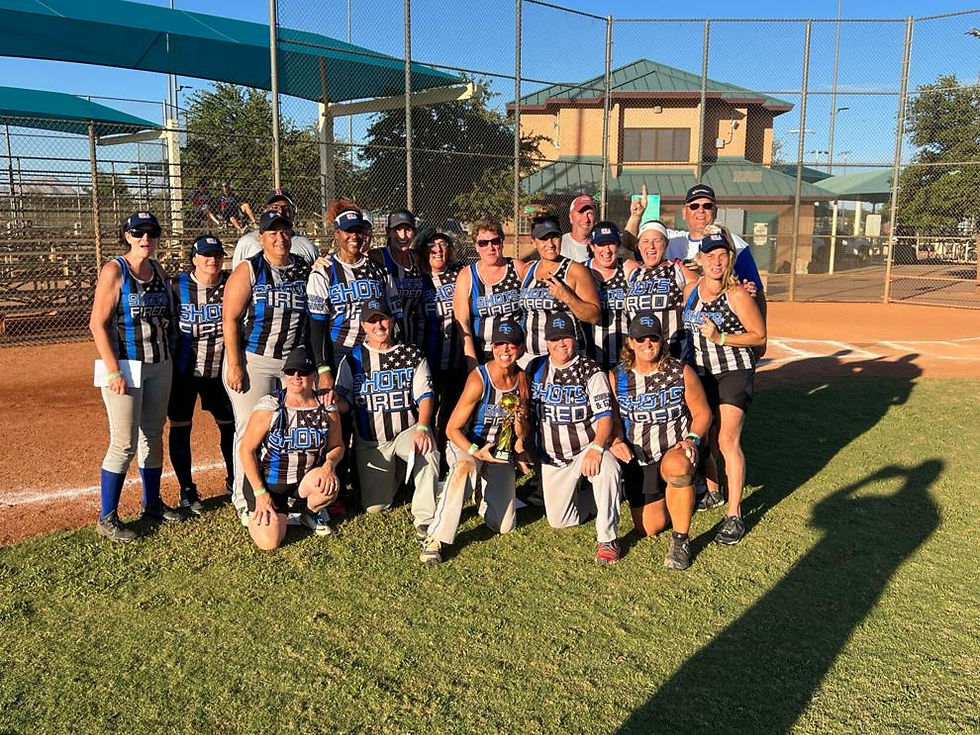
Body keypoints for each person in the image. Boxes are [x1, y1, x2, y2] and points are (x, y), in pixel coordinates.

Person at [89, 212, 183, 542]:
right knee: (124, 442)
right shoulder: (116, 270)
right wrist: (113, 369)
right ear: (127, 236)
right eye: (138, 233)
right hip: (127, 368)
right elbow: (97, 324)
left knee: (153, 435)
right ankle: (107, 516)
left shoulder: (157, 269)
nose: (146, 239)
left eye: (152, 233)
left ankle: (152, 503)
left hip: (159, 364)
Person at [222, 208, 314, 528]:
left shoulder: (304, 268)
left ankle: (285, 492)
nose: (280, 237)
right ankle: (244, 498)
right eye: (272, 232)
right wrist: (235, 364)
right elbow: (231, 318)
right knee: (250, 429)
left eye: (284, 231)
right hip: (255, 360)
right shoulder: (250, 269)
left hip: (291, 364)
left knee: (287, 427)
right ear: (260, 237)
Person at [420, 320, 530, 565]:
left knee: (503, 526)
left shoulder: (522, 378)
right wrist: (475, 451)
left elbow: (522, 432)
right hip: (468, 443)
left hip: (500, 451)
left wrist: (521, 422)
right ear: (492, 347)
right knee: (465, 468)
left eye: (511, 346)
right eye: (500, 344)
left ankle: (482, 493)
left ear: (520, 348)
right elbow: (451, 428)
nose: (505, 351)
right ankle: (436, 537)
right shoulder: (479, 377)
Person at [682, 229, 767, 546]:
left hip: (733, 371)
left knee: (727, 439)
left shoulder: (737, 294)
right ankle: (713, 491)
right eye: (710, 256)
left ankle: (734, 515)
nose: (716, 261)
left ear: (729, 259)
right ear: (700, 259)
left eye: (722, 255)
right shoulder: (692, 291)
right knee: (705, 436)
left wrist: (722, 338)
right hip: (702, 372)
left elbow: (759, 336)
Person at [608, 312, 711, 570]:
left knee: (677, 468)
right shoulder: (617, 377)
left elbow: (702, 413)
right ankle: (679, 495)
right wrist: (616, 439)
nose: (647, 345)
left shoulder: (680, 371)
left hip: (672, 450)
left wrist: (692, 439)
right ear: (630, 342)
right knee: (649, 528)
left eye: (652, 338)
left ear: (661, 341)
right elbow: (614, 418)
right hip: (638, 458)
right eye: (640, 339)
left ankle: (680, 541)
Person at [335, 299, 439, 542]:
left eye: (382, 319)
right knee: (375, 507)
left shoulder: (411, 353)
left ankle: (425, 517)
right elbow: (345, 403)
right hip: (372, 441)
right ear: (363, 325)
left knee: (428, 449)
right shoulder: (353, 359)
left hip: (407, 431)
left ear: (391, 321)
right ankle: (398, 470)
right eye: (372, 321)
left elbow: (425, 394)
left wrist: (423, 427)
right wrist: (333, 398)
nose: (378, 325)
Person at [527, 311, 622, 565]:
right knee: (559, 521)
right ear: (546, 341)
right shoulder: (535, 368)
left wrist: (598, 448)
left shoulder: (591, 371)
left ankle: (607, 539)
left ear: (575, 338)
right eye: (555, 338)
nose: (561, 343)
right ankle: (603, 500)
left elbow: (605, 416)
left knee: (607, 467)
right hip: (553, 457)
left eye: (566, 337)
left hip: (585, 449)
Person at [239, 346, 343, 550]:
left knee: (330, 486)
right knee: (269, 542)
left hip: (303, 481)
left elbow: (337, 445)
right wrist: (260, 493)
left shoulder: (327, 407)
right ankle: (255, 511)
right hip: (269, 484)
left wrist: (329, 465)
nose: (296, 377)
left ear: (313, 375)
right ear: (284, 375)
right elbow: (246, 450)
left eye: (303, 372)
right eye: (291, 372)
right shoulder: (271, 406)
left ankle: (307, 513)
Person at [625, 183, 766, 324]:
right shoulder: (672, 240)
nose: (701, 211)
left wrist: (760, 337)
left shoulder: (734, 243)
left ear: (715, 211)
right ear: (684, 212)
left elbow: (756, 291)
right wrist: (636, 216)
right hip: (681, 326)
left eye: (707, 206)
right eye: (694, 206)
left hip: (720, 322)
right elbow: (631, 243)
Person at [167, 235, 235, 513]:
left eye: (217, 254)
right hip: (184, 371)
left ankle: (234, 478)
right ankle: (187, 489)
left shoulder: (231, 283)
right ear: (194, 259)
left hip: (220, 370)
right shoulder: (177, 287)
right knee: (181, 427)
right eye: (206, 255)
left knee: (229, 426)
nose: (213, 260)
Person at [307, 201, 400, 376]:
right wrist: (323, 368)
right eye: (348, 231)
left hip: (374, 349)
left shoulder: (379, 270)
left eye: (358, 230)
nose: (354, 236)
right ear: (337, 234)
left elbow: (396, 315)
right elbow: (317, 326)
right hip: (338, 351)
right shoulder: (324, 272)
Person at [520, 214, 600, 363]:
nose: (550, 244)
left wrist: (567, 297)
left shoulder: (575, 270)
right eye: (544, 238)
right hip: (530, 357)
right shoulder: (528, 270)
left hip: (566, 358)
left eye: (555, 237)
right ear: (533, 242)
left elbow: (593, 315)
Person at [453, 218, 527, 370]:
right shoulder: (467, 275)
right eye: (483, 243)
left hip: (515, 353)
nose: (490, 247)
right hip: (483, 353)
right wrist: (471, 360)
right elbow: (462, 322)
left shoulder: (518, 268)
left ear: (502, 242)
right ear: (476, 247)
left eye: (495, 241)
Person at [418, 230, 467, 453]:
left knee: (451, 410)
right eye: (432, 245)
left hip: (457, 357)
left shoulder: (460, 274)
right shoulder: (416, 277)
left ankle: (449, 456)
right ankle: (427, 456)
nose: (438, 249)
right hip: (428, 357)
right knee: (427, 409)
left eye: (443, 244)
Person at [624, 220, 698, 359]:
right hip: (640, 352)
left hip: (672, 352)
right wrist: (635, 215)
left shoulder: (677, 270)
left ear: (666, 243)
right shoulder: (632, 272)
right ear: (638, 246)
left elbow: (707, 289)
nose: (651, 246)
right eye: (645, 241)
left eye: (657, 240)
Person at [585, 221, 640, 370]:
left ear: (618, 245)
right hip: (589, 357)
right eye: (601, 244)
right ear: (592, 247)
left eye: (611, 244)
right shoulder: (582, 270)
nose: (607, 250)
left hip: (625, 358)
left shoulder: (629, 269)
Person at [370, 209, 427, 344]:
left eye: (408, 230)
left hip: (414, 337)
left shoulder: (416, 258)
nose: (403, 236)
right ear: (388, 232)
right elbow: (349, 259)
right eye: (397, 230)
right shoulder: (379, 256)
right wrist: (324, 260)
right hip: (386, 337)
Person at [231, 189, 318, 269]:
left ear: (293, 212)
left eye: (286, 208)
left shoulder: (307, 246)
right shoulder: (247, 242)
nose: (280, 211)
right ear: (265, 211)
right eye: (275, 207)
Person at [561, 194, 597, 262]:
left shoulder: (601, 246)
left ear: (595, 219)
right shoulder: (559, 245)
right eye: (581, 213)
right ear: (571, 217)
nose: (586, 219)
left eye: (590, 214)